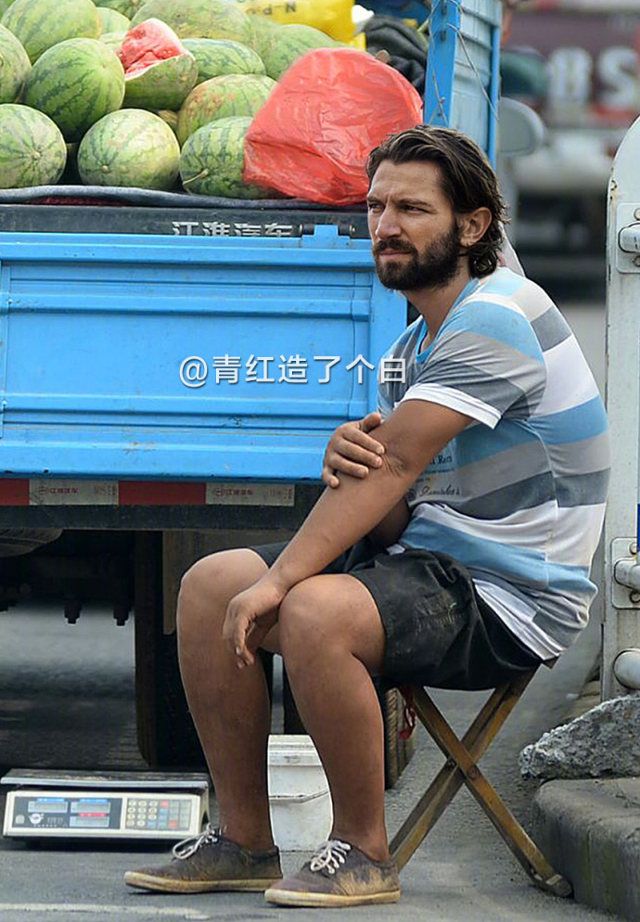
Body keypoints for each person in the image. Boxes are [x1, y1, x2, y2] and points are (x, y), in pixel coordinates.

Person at [124, 125, 610, 907]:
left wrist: (285, 576)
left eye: (412, 209)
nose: (386, 225)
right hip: (432, 568)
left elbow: (398, 465)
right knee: (211, 585)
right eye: (377, 207)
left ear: (473, 225)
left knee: (313, 608)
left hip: (514, 594)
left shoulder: (499, 315)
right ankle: (244, 840)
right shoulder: (410, 349)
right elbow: (394, 512)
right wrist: (345, 459)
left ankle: (362, 851)